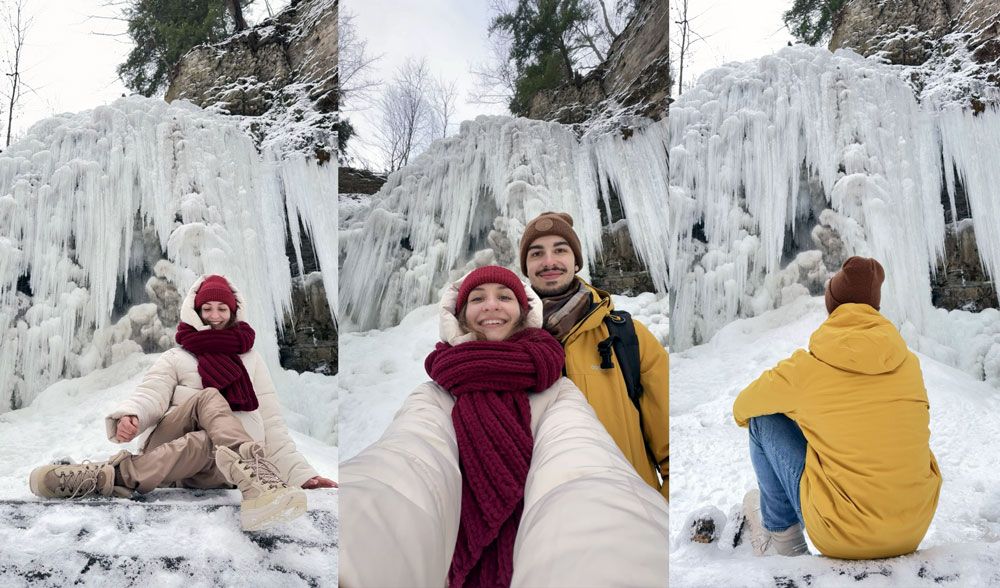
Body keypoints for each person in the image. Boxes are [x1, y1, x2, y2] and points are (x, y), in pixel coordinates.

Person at [339, 265, 667, 588]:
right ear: (460, 315)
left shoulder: (556, 391)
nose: (491, 305)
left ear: (524, 313)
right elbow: (408, 460)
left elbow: (581, 464)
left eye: (504, 296)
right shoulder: (435, 396)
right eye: (477, 298)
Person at [29, 274, 336, 532]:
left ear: (233, 312)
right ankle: (249, 466)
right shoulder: (178, 357)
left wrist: (302, 475)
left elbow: (271, 425)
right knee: (209, 397)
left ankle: (105, 477)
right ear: (195, 310)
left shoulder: (252, 361)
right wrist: (132, 416)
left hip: (218, 469)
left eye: (221, 309)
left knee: (207, 441)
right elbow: (151, 393)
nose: (214, 316)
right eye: (207, 309)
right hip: (168, 452)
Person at [733, 257, 942, 559]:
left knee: (762, 421)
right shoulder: (909, 364)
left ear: (832, 306)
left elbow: (743, 406)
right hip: (914, 528)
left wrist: (802, 419)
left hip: (841, 536)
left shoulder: (808, 368)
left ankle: (783, 540)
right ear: (875, 309)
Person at [518, 211, 669, 501]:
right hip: (540, 522)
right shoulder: (509, 347)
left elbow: (669, 445)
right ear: (526, 266)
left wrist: (659, 514)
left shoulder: (628, 338)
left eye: (560, 250)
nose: (549, 261)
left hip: (630, 513)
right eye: (537, 253)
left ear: (576, 261)